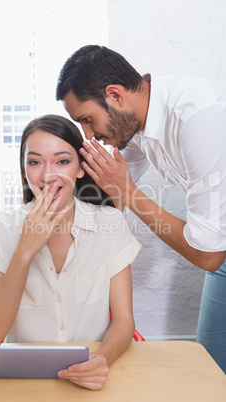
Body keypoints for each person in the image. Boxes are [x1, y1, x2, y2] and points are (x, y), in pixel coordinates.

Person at [56, 45, 226, 372]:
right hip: (220, 242)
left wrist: (128, 192)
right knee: (212, 370)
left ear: (115, 95)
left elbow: (208, 256)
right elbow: (105, 194)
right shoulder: (136, 120)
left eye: (87, 121)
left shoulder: (197, 119)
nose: (89, 135)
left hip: (215, 249)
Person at [0, 114, 141, 390]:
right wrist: (24, 252)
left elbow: (124, 320)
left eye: (62, 161)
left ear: (79, 168)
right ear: (24, 169)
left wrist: (102, 358)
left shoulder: (110, 224)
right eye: (35, 162)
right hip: (24, 383)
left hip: (90, 382)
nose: (48, 175)